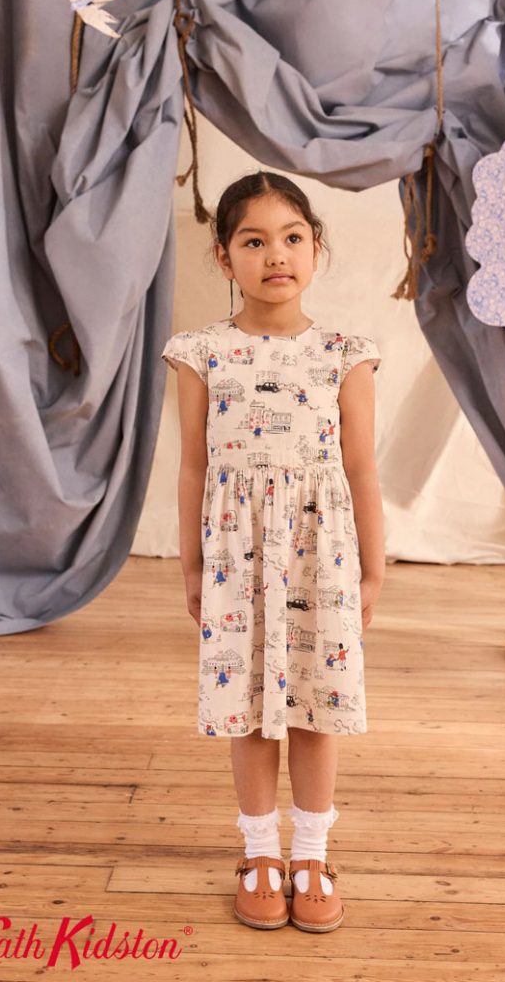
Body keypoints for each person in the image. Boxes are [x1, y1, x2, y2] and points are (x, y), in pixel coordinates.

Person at [161, 170, 384, 933]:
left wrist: (374, 568)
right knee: (250, 709)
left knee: (317, 707)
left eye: (291, 238)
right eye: (253, 241)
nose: (275, 255)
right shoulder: (201, 353)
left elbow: (361, 469)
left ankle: (311, 853)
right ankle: (259, 851)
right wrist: (192, 565)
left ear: (315, 247)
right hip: (238, 559)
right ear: (224, 257)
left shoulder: (345, 354)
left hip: (321, 557)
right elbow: (193, 467)